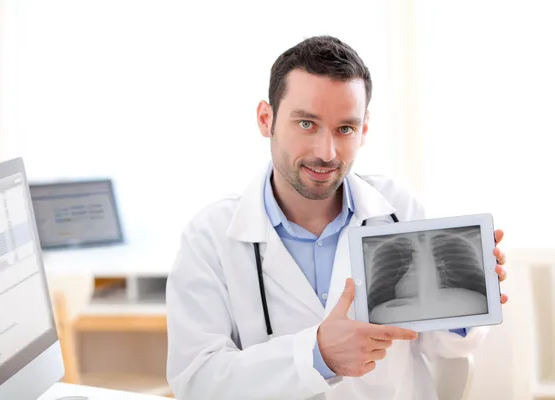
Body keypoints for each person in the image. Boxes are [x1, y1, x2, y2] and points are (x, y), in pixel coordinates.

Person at [165, 35, 509, 400]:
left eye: (345, 128)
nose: (326, 153)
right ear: (266, 119)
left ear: (363, 131)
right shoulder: (210, 236)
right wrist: (318, 355)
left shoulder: (397, 209)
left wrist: (467, 301)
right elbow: (197, 379)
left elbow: (443, 348)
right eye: (306, 124)